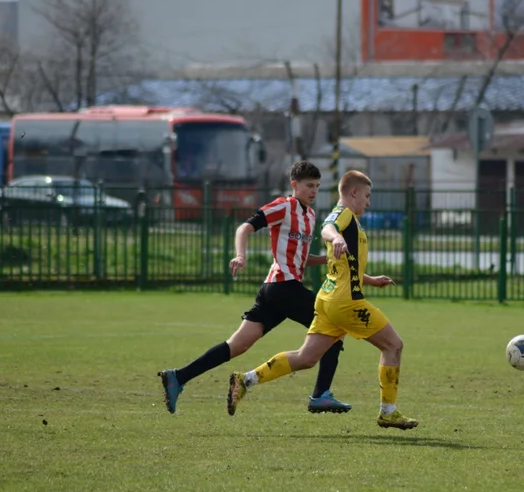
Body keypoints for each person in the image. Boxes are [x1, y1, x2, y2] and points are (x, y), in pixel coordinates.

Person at [227, 170, 418, 430]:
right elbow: (328, 228)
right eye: (367, 196)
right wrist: (336, 236)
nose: (368, 202)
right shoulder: (343, 214)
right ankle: (388, 412)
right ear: (353, 192)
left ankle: (245, 380)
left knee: (306, 358)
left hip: (328, 300)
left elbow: (344, 266)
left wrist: (370, 279)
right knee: (393, 346)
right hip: (346, 303)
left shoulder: (351, 220)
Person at [158, 160, 349, 415]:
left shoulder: (310, 215)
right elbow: (244, 228)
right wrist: (241, 256)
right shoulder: (284, 206)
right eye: (308, 186)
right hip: (283, 287)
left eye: (317, 186)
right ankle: (320, 395)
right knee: (333, 330)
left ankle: (178, 377)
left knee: (236, 346)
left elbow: (302, 259)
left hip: (276, 290)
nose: (313, 191)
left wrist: (328, 259)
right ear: (294, 185)